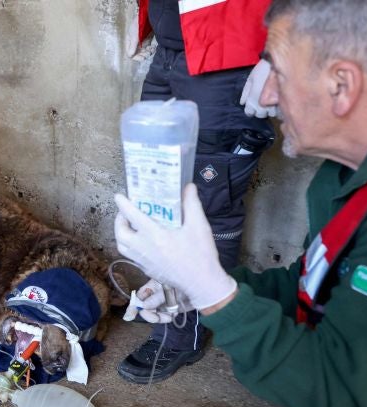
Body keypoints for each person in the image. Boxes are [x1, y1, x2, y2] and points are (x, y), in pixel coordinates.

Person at [114, 0, 367, 407]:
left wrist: (216, 295)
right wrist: (196, 291)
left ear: (341, 85)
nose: (263, 97)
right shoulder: (349, 177)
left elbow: (339, 394)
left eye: (275, 72)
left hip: (363, 389)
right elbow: (310, 285)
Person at [118, 0, 275, 384]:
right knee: (156, 194)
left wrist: (278, 54)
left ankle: (180, 333)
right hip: (174, 48)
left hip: (228, 59)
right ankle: (172, 307)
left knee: (207, 204)